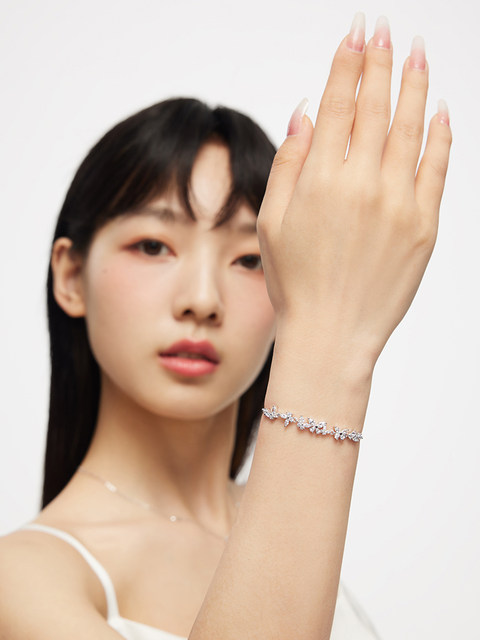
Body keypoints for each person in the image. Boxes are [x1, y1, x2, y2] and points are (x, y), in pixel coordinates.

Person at [0, 12, 450, 640]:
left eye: (250, 259)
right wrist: (329, 344)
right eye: (153, 246)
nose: (202, 300)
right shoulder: (23, 580)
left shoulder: (291, 520)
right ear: (70, 276)